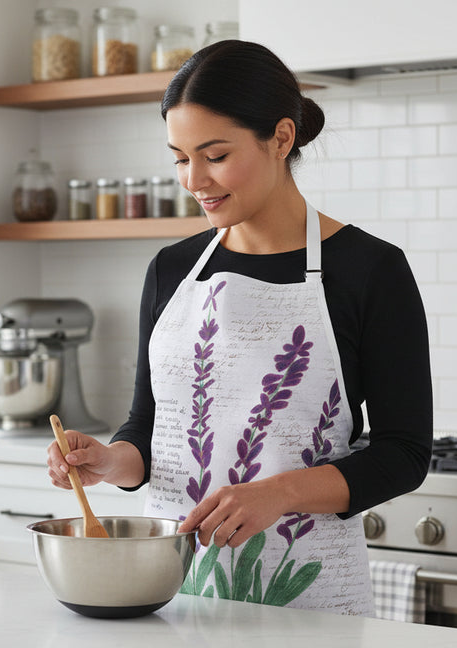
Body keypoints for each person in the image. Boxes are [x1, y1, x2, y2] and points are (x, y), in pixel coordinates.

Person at [45, 40, 432, 616]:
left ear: (281, 137)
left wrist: (280, 493)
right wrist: (111, 460)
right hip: (172, 592)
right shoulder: (172, 269)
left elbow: (404, 453)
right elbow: (150, 429)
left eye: (215, 155)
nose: (194, 179)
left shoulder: (369, 269)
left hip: (310, 600)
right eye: (179, 158)